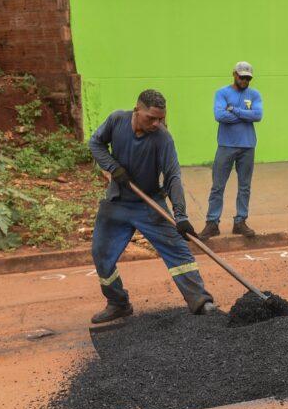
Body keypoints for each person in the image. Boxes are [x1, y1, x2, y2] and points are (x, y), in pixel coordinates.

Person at [88, 89, 218, 324]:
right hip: (117, 202)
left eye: (161, 118)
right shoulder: (117, 120)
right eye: (151, 118)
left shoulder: (162, 137)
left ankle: (200, 301)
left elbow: (173, 176)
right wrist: (113, 167)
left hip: (150, 203)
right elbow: (95, 143)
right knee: (101, 254)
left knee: (178, 250)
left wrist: (180, 215)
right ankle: (118, 303)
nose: (157, 123)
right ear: (137, 110)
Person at [199, 61, 263, 240]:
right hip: (226, 145)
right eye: (242, 77)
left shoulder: (255, 94)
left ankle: (240, 221)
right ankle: (212, 223)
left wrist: (234, 109)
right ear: (234, 74)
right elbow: (219, 116)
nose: (245, 80)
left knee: (245, 187)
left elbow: (258, 115)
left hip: (248, 145)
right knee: (218, 186)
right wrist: (245, 116)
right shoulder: (222, 93)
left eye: (248, 78)